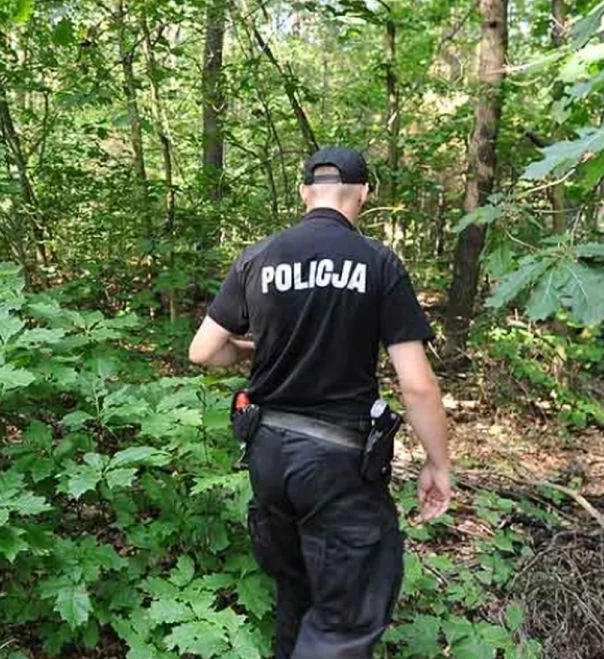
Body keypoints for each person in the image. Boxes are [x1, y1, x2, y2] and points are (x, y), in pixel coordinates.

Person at [187, 147, 452, 659]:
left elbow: (203, 350)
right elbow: (417, 385)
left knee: (297, 594)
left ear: (305, 192)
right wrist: (438, 464)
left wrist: (254, 348)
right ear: (364, 194)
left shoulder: (258, 257)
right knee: (342, 623)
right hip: (336, 466)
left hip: (268, 455)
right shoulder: (377, 263)